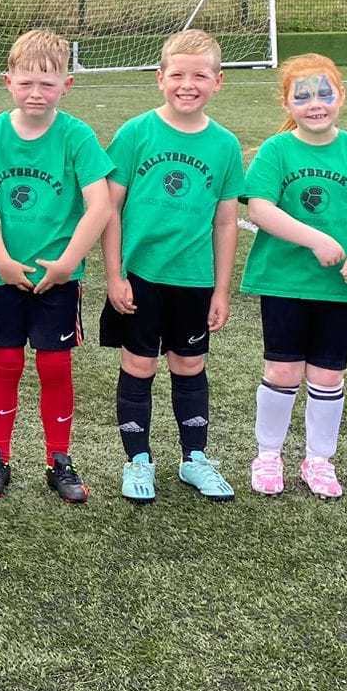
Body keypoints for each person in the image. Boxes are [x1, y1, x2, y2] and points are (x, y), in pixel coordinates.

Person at [239, 55, 347, 498]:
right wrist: (314, 239)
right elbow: (260, 208)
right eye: (303, 96)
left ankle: (319, 460)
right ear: (287, 103)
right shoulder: (277, 151)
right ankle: (268, 455)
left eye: (324, 94)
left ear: (341, 97)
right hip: (284, 282)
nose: (315, 104)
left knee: (328, 376)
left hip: (339, 288)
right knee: (282, 370)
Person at [98, 29, 247, 503]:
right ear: (160, 78)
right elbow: (110, 209)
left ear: (218, 82)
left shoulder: (224, 144)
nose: (188, 84)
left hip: (194, 279)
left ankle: (194, 459)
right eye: (178, 74)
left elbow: (226, 221)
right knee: (139, 364)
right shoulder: (135, 133)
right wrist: (115, 275)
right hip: (141, 276)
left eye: (200, 76)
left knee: (190, 364)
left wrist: (221, 289)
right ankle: (137, 461)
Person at [0, 28, 114, 503]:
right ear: (8, 81)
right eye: (27, 82)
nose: (36, 93)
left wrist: (68, 262)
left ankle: (59, 460)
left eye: (47, 84)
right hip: (5, 274)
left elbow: (100, 204)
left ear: (66, 86)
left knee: (54, 364)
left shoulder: (76, 135)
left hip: (59, 277)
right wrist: (2, 259)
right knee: (6, 361)